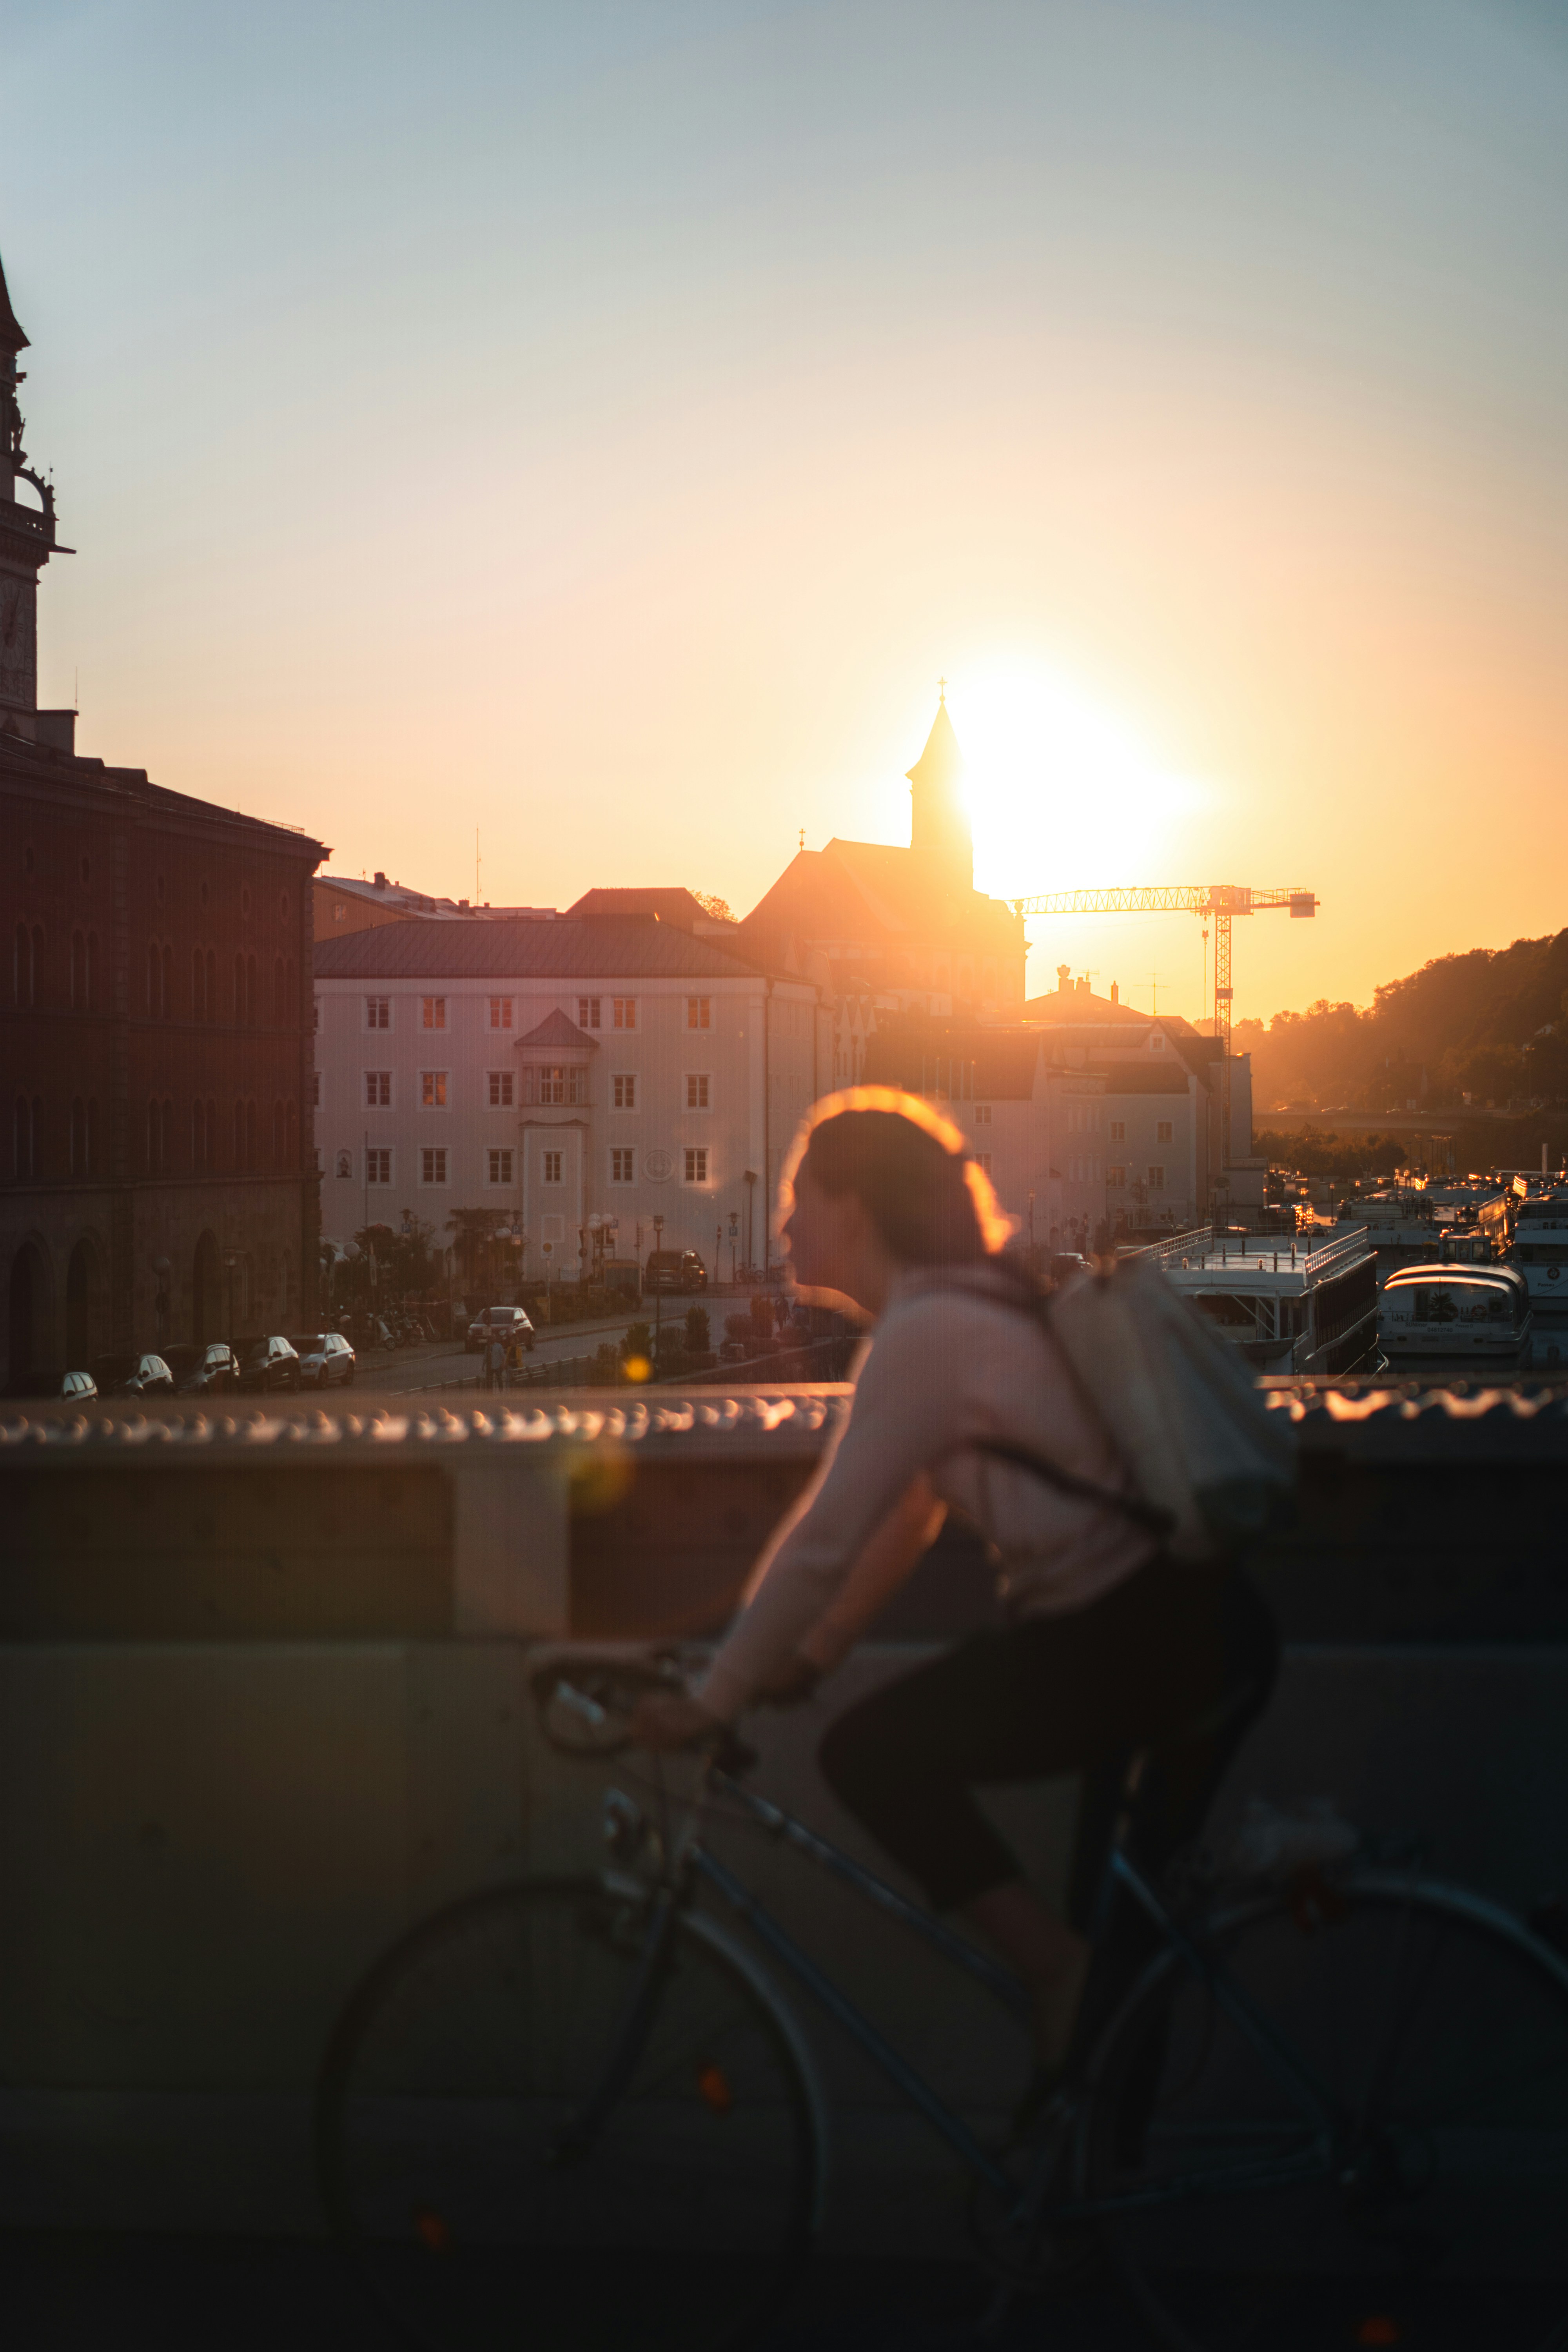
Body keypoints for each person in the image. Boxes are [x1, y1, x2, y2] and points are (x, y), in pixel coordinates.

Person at [633, 1086, 1276, 2088]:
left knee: (872, 1756)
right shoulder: (969, 1305)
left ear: (851, 1206)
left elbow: (824, 1538)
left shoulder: (927, 1333)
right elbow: (910, 1515)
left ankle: (1057, 1987)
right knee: (1122, 1948)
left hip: (1134, 1638)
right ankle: (1083, 2184)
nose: (785, 1221)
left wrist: (714, 1699)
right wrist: (816, 1651)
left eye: (800, 1193)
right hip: (1174, 1625)